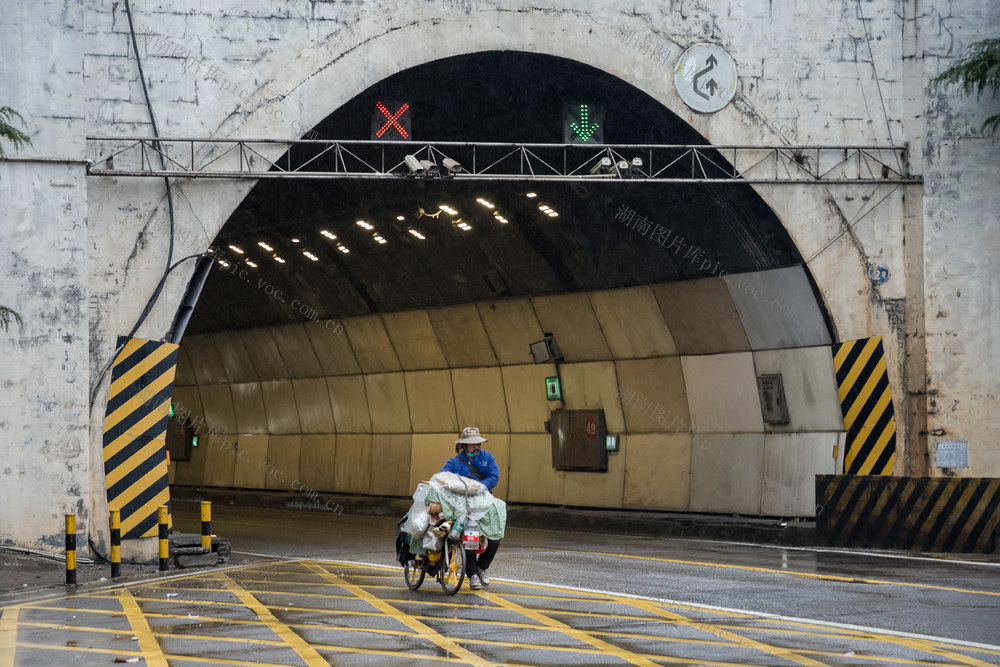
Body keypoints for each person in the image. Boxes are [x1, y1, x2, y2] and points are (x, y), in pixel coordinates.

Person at [440, 426, 500, 589]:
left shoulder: (488, 458)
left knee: (494, 536)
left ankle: (482, 568)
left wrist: (479, 487)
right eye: (472, 444)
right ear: (464, 446)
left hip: (484, 502)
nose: (477, 446)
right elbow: (443, 477)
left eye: (478, 443)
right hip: (465, 507)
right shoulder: (453, 463)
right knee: (470, 537)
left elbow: (494, 477)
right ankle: (472, 574)